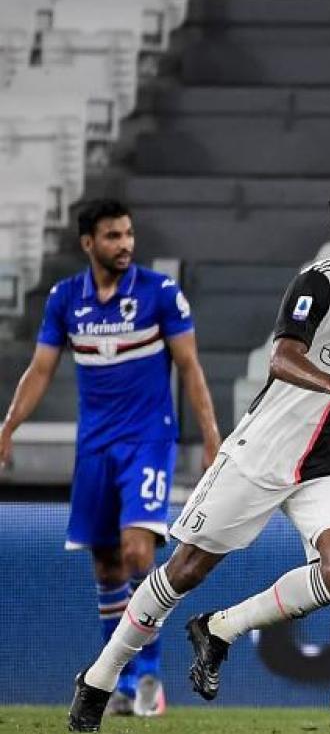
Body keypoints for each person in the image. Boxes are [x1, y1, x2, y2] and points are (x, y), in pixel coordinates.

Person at [67, 167, 330, 732]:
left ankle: (220, 629)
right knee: (184, 570)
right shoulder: (320, 283)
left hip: (329, 463)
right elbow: (283, 358)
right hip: (263, 451)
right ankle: (99, 678)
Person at [0, 199, 220, 717]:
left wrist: (212, 438)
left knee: (138, 550)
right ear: (88, 243)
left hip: (148, 439)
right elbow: (40, 369)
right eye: (113, 236)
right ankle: (117, 680)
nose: (125, 245)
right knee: (105, 564)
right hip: (95, 445)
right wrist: (7, 427)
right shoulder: (65, 299)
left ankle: (149, 678)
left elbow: (190, 367)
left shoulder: (159, 292)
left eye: (128, 235)